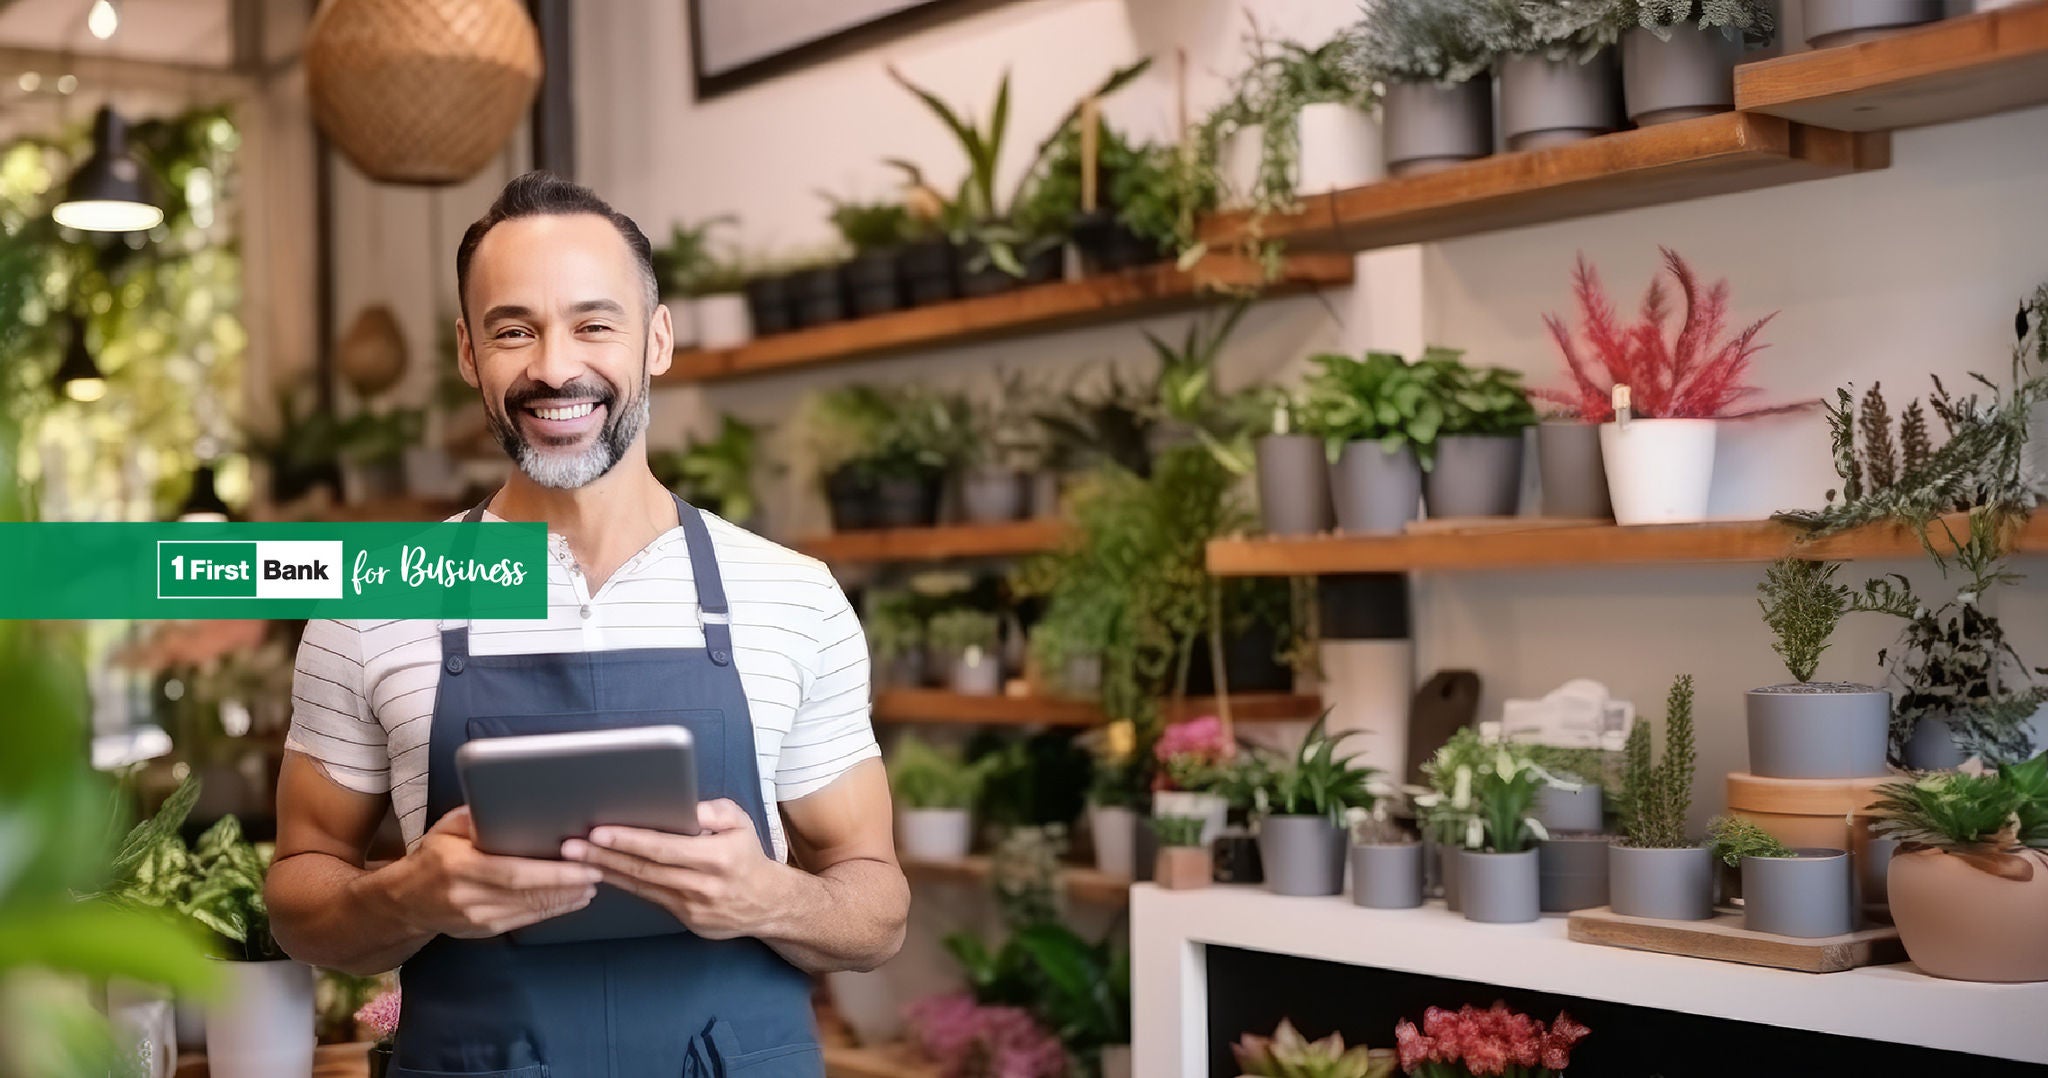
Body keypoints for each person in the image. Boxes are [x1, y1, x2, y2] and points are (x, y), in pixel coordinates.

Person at [266, 171, 906, 1076]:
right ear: (466, 353)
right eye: (513, 329)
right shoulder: (376, 604)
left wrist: (767, 899)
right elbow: (299, 897)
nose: (555, 366)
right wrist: (410, 896)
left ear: (657, 341)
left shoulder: (790, 596)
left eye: (593, 323)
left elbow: (876, 911)